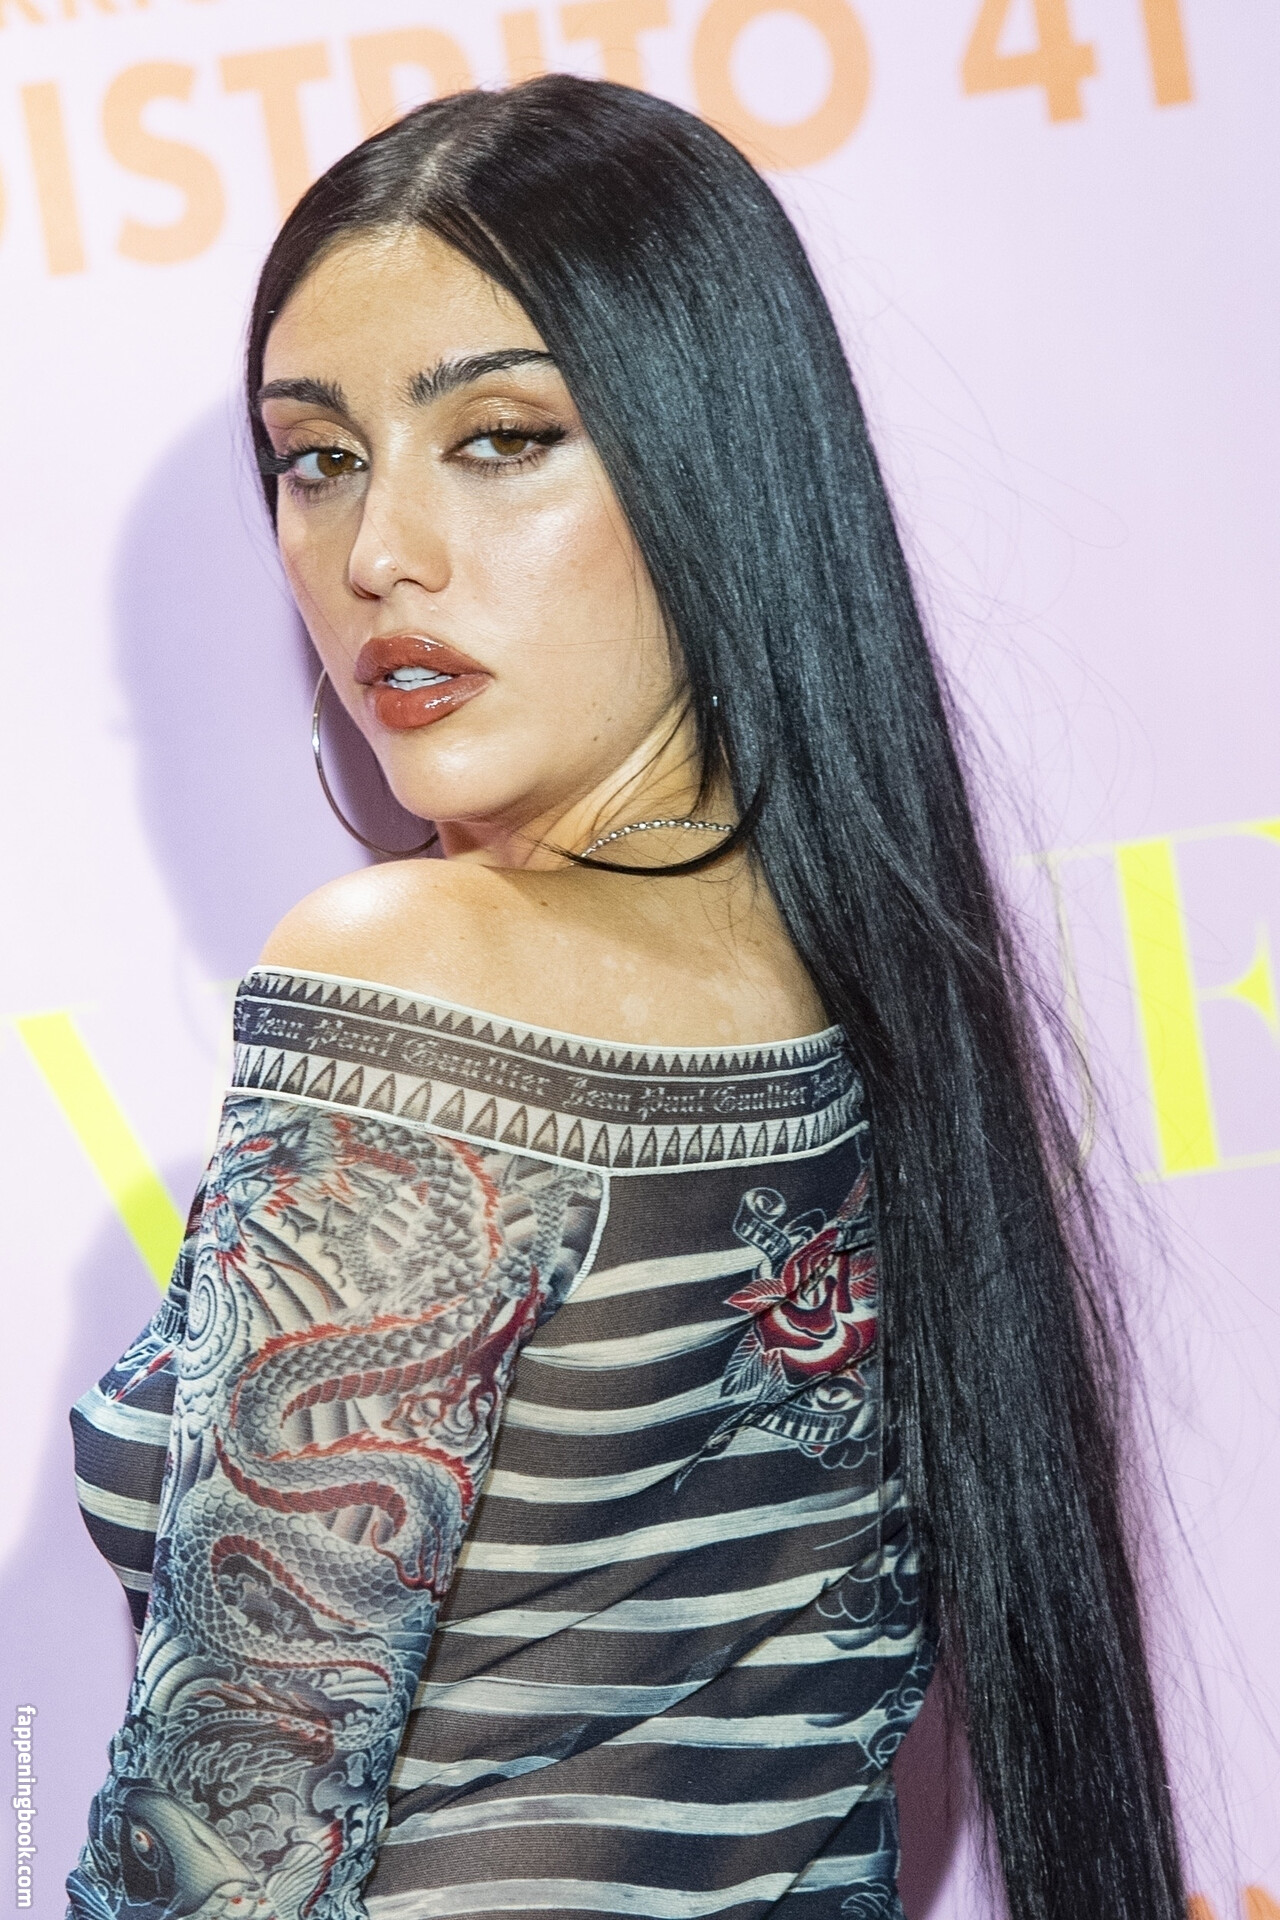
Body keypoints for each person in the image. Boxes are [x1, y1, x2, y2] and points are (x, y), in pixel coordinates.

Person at [67, 76, 1185, 1920]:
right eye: (317, 457)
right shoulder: (881, 991)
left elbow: (223, 1850)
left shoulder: (416, 972)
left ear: (709, 459)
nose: (379, 552)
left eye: (501, 439)